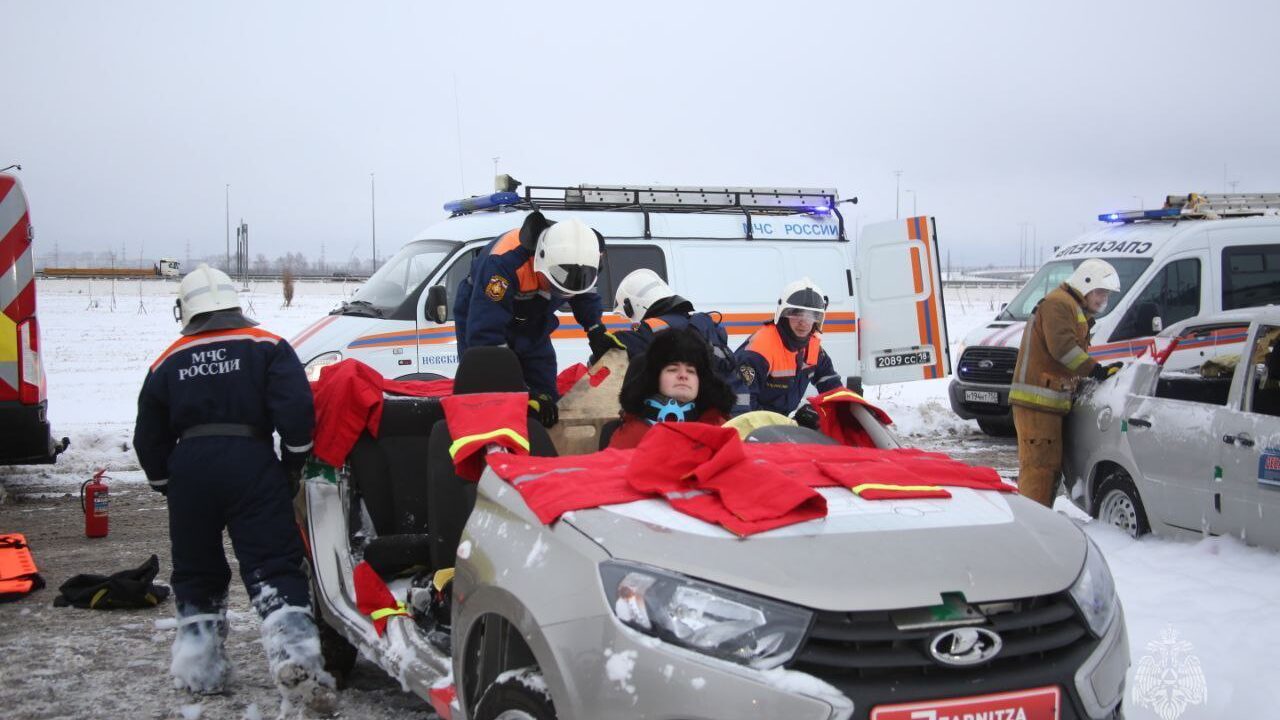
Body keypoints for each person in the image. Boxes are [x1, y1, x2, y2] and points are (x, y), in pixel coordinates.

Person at [133, 264, 336, 712]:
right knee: (273, 565)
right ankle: (295, 657)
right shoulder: (267, 347)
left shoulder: (167, 360)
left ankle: (200, 669)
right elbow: (296, 410)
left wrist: (169, 484)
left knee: (197, 572)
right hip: (251, 462)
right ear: (233, 303)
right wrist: (293, 462)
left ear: (185, 310)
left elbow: (148, 434)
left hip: (190, 468)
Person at [454, 211, 624, 428]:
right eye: (556, 287)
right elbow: (485, 336)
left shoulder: (581, 259)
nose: (561, 295)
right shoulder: (503, 266)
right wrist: (521, 391)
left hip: (533, 319)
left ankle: (542, 446)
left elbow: (584, 294)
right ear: (540, 260)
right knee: (486, 382)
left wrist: (595, 329)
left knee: (545, 392)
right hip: (481, 309)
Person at [1010, 258, 1123, 507]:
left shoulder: (1071, 306)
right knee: (1039, 468)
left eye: (1106, 295)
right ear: (1086, 283)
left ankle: (1040, 518)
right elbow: (1063, 349)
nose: (1104, 300)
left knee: (1048, 468)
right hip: (1037, 403)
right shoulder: (1058, 304)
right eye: (1101, 292)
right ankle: (1033, 523)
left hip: (1048, 403)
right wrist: (1094, 370)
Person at [732, 277, 843, 426]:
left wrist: (849, 407)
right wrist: (781, 426)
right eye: (796, 313)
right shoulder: (759, 350)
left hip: (779, 422)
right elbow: (741, 407)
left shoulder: (812, 348)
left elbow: (831, 384)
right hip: (752, 425)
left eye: (810, 315)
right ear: (783, 314)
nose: (803, 322)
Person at [608, 327, 736, 449]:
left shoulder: (722, 428)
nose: (683, 376)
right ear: (656, 378)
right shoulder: (632, 433)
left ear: (701, 381)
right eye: (673, 369)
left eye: (691, 371)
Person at [612, 268, 736, 387]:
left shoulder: (655, 328)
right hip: (731, 403)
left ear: (634, 305)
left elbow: (625, 343)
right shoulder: (696, 322)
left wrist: (599, 334)